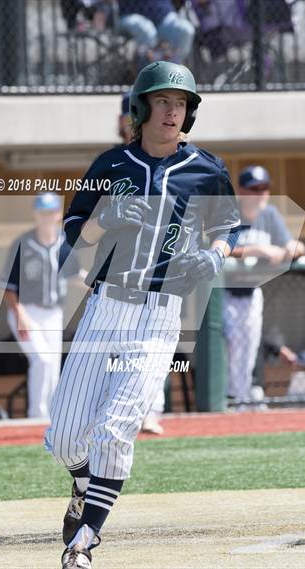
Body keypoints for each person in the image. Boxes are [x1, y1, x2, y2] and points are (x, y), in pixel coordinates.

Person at [44, 60, 240, 568]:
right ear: (142, 107)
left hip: (159, 315)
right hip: (105, 306)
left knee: (115, 430)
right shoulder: (110, 165)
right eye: (163, 101)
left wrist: (215, 255)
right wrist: (103, 217)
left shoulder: (207, 169)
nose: (173, 111)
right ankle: (83, 487)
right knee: (64, 440)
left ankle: (83, 542)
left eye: (181, 103)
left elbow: (229, 227)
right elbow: (74, 236)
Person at [223, 165, 305, 407]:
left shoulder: (269, 215)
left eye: (264, 188)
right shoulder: (229, 213)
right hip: (221, 295)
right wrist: (256, 250)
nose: (260, 194)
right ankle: (228, 400)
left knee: (248, 351)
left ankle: (242, 399)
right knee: (228, 352)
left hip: (251, 294)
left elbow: (296, 247)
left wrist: (292, 248)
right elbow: (213, 247)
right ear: (241, 190)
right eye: (254, 189)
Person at [0, 194, 82, 419]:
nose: (47, 217)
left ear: (58, 214)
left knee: (53, 367)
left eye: (51, 212)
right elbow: (9, 286)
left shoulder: (64, 243)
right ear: (36, 215)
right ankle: (37, 415)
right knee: (42, 359)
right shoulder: (23, 243)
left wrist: (99, 282)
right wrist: (19, 315)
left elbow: (74, 274)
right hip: (25, 311)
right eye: (42, 213)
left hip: (53, 313)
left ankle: (52, 419)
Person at [118, 91, 166, 435]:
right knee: (119, 343)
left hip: (160, 265)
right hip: (121, 268)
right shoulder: (115, 161)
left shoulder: (168, 156)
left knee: (156, 343)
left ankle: (149, 410)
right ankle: (124, 410)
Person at [118, 0, 195, 66]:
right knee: (147, 30)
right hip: (130, 13)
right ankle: (148, 75)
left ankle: (173, 71)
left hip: (163, 16)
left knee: (186, 30)